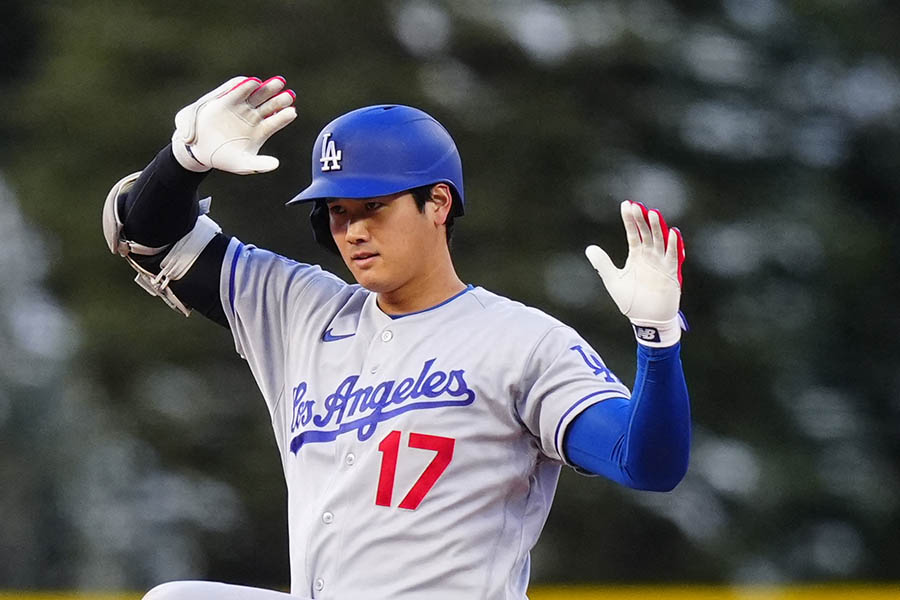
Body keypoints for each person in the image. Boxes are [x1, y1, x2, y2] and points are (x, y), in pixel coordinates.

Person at [102, 75, 691, 600]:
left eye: (374, 206)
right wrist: (185, 160)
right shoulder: (301, 310)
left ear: (438, 202)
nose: (353, 230)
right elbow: (145, 234)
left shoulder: (523, 341)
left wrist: (657, 339)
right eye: (337, 210)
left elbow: (644, 463)